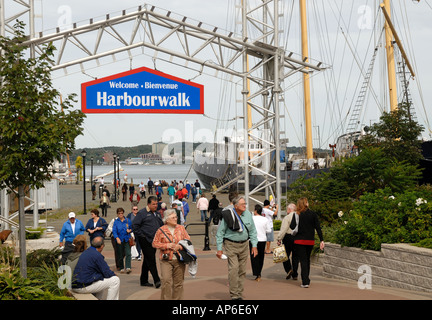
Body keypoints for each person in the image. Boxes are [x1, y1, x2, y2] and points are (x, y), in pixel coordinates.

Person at [216, 196, 258, 300]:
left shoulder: (248, 214)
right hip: (231, 245)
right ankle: (234, 295)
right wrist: (219, 249)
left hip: (244, 245)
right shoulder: (228, 215)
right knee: (234, 269)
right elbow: (220, 233)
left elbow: (252, 231)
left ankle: (239, 293)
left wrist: (254, 245)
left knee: (242, 270)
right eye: (242, 204)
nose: (245, 206)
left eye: (245, 204)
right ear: (236, 206)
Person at [152, 209, 191, 300]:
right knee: (166, 281)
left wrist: (180, 247)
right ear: (167, 220)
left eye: (176, 217)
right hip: (166, 259)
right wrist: (166, 245)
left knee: (178, 283)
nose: (175, 219)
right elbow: (154, 243)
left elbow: (188, 241)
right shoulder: (161, 230)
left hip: (179, 259)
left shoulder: (181, 228)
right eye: (173, 217)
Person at [290, 197, 325, 288]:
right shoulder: (313, 214)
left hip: (299, 241)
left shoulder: (297, 215)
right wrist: (321, 240)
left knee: (303, 260)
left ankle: (305, 281)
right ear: (306, 203)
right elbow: (318, 227)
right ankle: (306, 279)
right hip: (310, 241)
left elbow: (292, 226)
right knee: (307, 260)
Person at [132, 196, 163, 288]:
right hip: (145, 240)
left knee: (147, 260)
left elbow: (161, 225)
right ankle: (157, 280)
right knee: (151, 259)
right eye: (153, 204)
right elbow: (135, 226)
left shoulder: (157, 214)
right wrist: (142, 236)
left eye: (156, 204)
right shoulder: (142, 213)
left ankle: (144, 280)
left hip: (154, 241)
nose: (155, 206)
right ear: (148, 204)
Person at [250, 204, 272, 281]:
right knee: (261, 257)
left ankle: (256, 272)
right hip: (262, 240)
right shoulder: (265, 219)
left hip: (253, 240)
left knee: (253, 256)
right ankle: (259, 272)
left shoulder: (251, 218)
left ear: (255, 211)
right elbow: (269, 230)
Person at [277, 203, 298, 280]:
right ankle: (295, 274)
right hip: (297, 238)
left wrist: (279, 238)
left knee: (284, 255)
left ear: (289, 209)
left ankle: (289, 269)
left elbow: (284, 229)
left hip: (288, 237)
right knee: (295, 257)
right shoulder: (299, 216)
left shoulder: (287, 217)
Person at [112, 207, 133, 274]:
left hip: (126, 239)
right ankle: (121, 267)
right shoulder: (116, 222)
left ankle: (128, 267)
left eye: (122, 213)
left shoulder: (127, 220)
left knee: (128, 253)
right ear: (117, 214)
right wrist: (117, 238)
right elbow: (114, 231)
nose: (120, 214)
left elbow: (132, 228)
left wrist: (129, 230)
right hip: (120, 239)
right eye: (119, 213)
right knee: (120, 254)